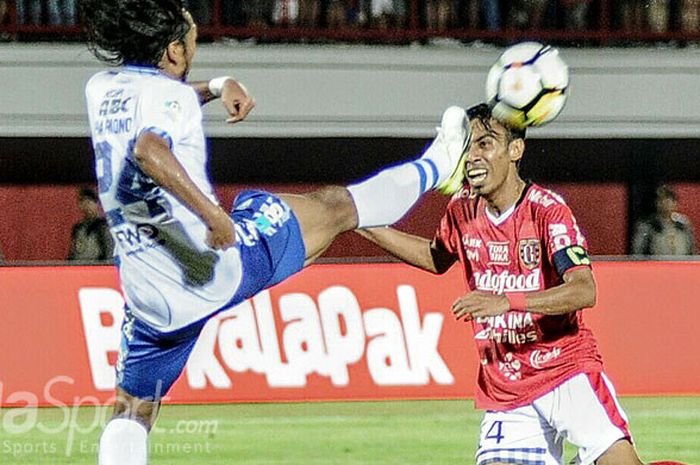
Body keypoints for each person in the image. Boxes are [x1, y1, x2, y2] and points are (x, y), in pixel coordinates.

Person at [77, 1, 470, 463]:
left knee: (133, 409)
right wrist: (214, 217)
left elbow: (159, 103)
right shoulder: (169, 102)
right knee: (334, 208)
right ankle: (441, 164)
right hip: (212, 269)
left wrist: (219, 87)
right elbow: (149, 148)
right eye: (193, 39)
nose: (194, 46)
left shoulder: (101, 88)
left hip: (148, 295)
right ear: (173, 51)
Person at [357, 103, 686, 465]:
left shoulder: (547, 211)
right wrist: (359, 220)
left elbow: (583, 290)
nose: (472, 156)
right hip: (506, 387)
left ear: (515, 150)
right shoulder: (462, 209)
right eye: (467, 146)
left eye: (485, 144)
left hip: (564, 371)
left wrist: (507, 301)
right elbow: (436, 257)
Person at [631, 185, 695, 256]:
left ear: (675, 202)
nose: (664, 203)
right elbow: (638, 252)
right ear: (656, 203)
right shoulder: (648, 225)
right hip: (656, 265)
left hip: (681, 264)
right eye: (661, 200)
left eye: (668, 199)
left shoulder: (683, 224)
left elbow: (691, 249)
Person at [67, 187, 114, 262]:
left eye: (89, 202)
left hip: (96, 268)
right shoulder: (78, 228)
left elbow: (109, 251)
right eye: (82, 202)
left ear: (96, 204)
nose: (86, 206)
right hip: (78, 268)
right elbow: (74, 252)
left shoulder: (103, 226)